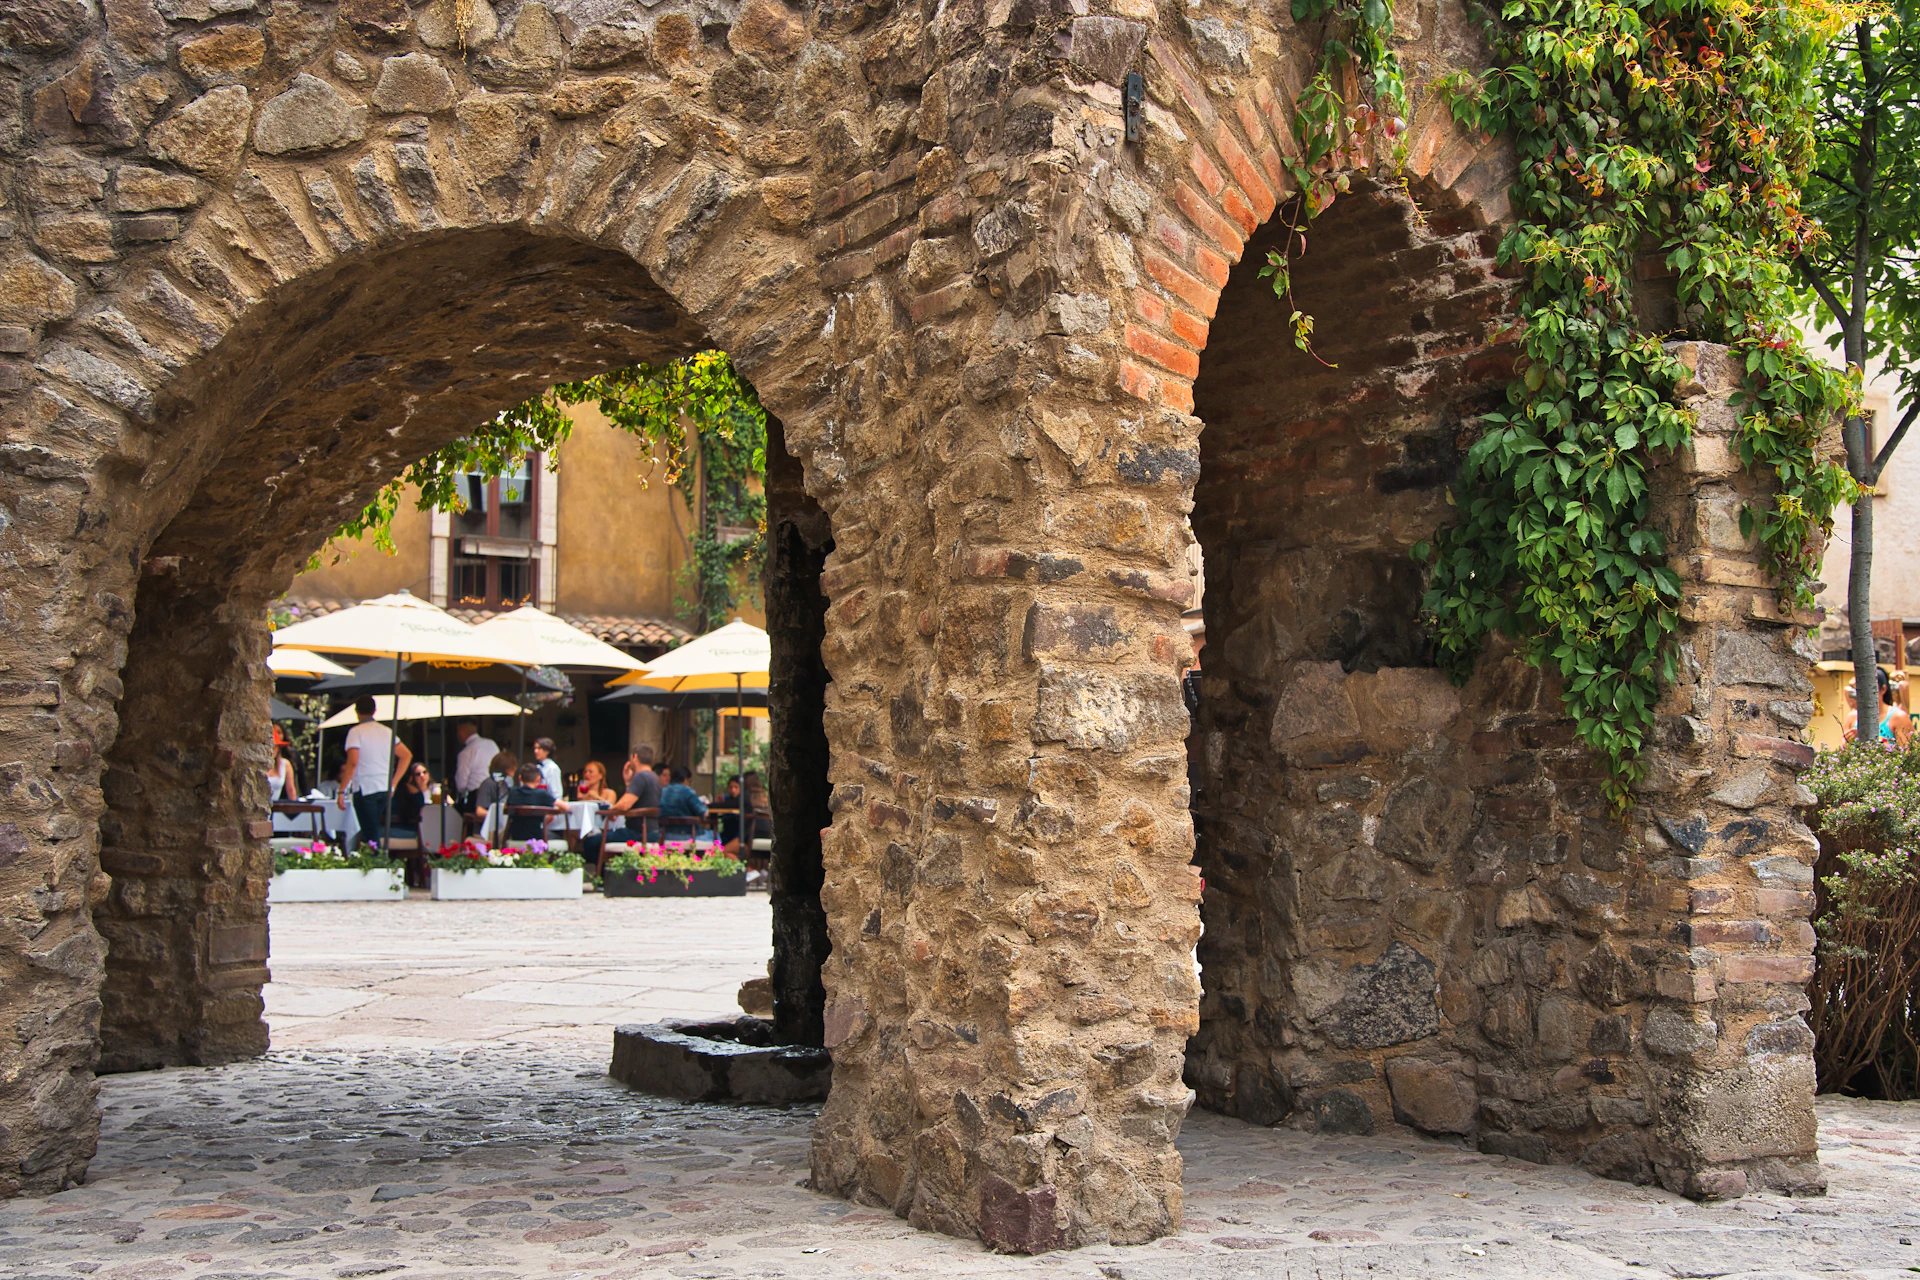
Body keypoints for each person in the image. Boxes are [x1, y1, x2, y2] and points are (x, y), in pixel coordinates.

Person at [338, 696, 411, 850]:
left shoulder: (356, 732)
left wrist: (341, 790)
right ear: (375, 711)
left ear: (356, 711)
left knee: (369, 833)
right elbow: (406, 755)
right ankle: (373, 863)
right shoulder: (387, 732)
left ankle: (375, 865)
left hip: (365, 787)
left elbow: (352, 762)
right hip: (384, 786)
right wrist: (394, 782)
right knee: (372, 829)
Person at [584, 743, 662, 873]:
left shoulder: (641, 776)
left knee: (590, 843)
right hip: (652, 832)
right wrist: (627, 782)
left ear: (635, 757)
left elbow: (625, 804)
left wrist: (611, 811)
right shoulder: (654, 777)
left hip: (636, 833)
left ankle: (606, 876)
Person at [452, 720, 499, 811]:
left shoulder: (466, 752)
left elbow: (461, 784)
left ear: (461, 732)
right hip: (495, 792)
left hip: (476, 795)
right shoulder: (491, 744)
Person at [502, 763, 556, 842]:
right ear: (538, 779)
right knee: (558, 835)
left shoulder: (513, 793)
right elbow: (564, 807)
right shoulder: (541, 794)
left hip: (515, 837)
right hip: (537, 837)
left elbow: (505, 808)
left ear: (520, 778)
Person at [658, 765, 709, 841]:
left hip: (664, 835)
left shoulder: (662, 791)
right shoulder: (687, 791)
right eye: (689, 781)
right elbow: (704, 812)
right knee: (716, 836)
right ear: (685, 779)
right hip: (687, 835)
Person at [266, 729, 297, 801]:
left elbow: (291, 790)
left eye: (275, 747)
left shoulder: (285, 764)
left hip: (276, 808)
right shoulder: (257, 764)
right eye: (270, 746)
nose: (272, 750)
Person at [532, 737, 564, 802]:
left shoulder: (552, 768)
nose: (535, 751)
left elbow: (556, 793)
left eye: (539, 748)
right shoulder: (537, 767)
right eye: (535, 748)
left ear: (547, 751)